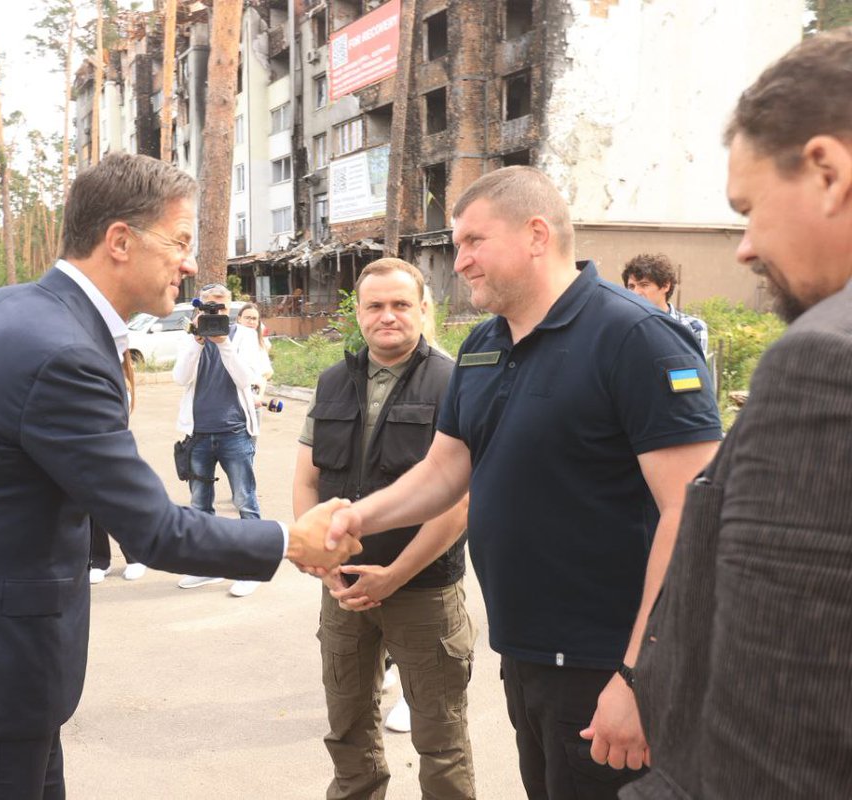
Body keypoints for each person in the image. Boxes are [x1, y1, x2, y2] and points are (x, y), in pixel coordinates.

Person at [0, 152, 359, 800]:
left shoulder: (8, 308)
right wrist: (289, 540)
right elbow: (155, 532)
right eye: (181, 242)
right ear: (120, 241)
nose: (191, 264)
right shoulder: (64, 349)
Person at [324, 166, 724, 799]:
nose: (459, 262)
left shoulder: (637, 338)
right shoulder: (485, 345)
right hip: (529, 655)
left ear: (537, 234)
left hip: (609, 668)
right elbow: (444, 471)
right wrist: (355, 519)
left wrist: (639, 675)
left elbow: (696, 511)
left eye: (473, 242)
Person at [622, 30, 852, 800]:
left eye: (748, 209)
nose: (746, 247)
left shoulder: (825, 362)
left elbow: (785, 749)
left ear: (827, 170)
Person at [294, 258, 475, 799]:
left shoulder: (455, 382)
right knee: (347, 730)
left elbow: (457, 502)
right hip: (343, 589)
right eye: (375, 305)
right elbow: (307, 481)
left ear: (424, 309)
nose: (387, 316)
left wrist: (394, 575)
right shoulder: (332, 382)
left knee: (441, 741)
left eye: (401, 304)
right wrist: (320, 562)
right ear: (359, 312)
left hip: (422, 590)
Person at [172, 283, 268, 597]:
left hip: (235, 432)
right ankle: (207, 568)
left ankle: (252, 569)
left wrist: (223, 343)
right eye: (209, 306)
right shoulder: (191, 336)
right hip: (198, 433)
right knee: (200, 506)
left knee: (245, 502)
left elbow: (248, 380)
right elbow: (180, 378)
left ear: (230, 309)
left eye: (221, 307)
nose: (215, 312)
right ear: (200, 308)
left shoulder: (243, 337)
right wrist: (198, 341)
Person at [621, 253, 709, 354]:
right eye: (631, 287)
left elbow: (693, 368)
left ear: (665, 286)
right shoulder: (624, 327)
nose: (635, 292)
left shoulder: (693, 327)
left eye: (644, 285)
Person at [236, 302, 273, 407]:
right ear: (239, 319)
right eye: (247, 318)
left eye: (254, 318)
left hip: (254, 397)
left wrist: (258, 397)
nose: (251, 321)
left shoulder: (260, 344)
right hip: (234, 399)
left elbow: (265, 374)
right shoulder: (231, 342)